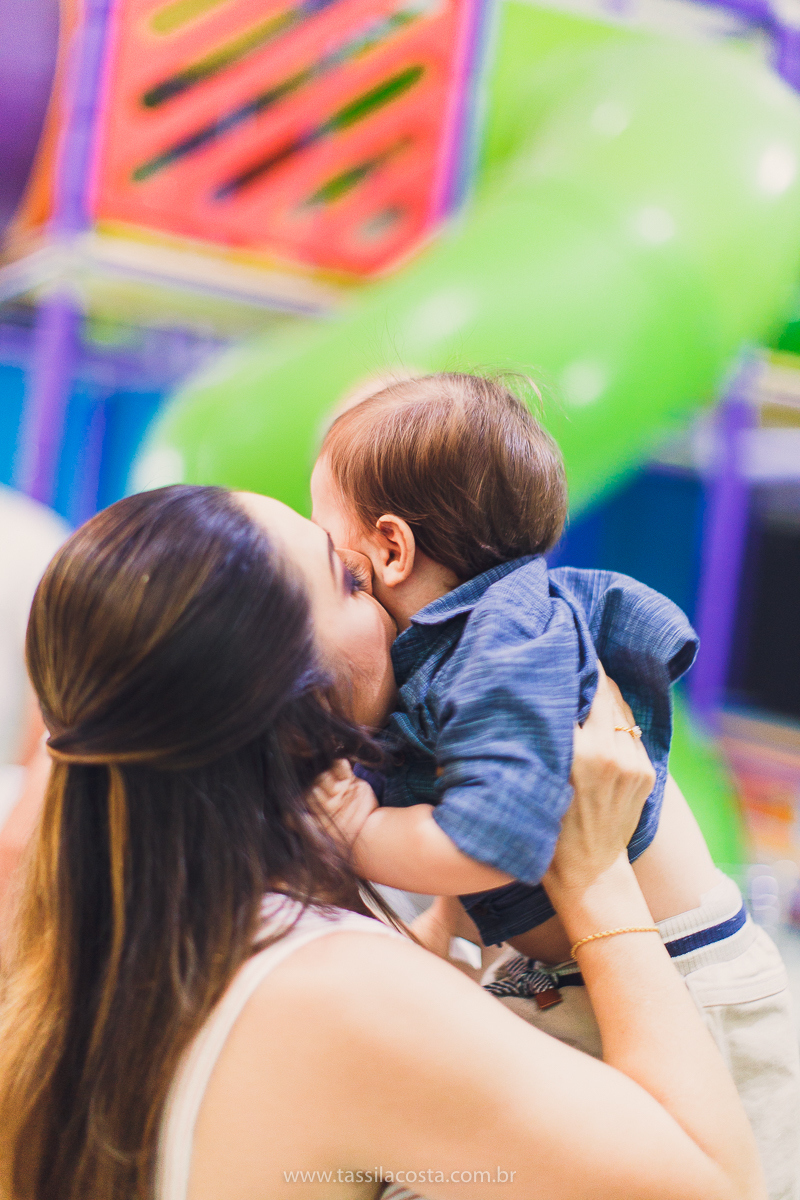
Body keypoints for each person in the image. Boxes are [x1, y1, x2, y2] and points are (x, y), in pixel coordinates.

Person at [0, 485, 764, 1200]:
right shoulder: (329, 990)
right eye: (351, 583)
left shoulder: (90, 938)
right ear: (295, 709)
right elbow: (716, 1185)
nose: (401, 598)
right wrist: (592, 872)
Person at [310, 372, 800, 1198]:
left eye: (341, 565)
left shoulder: (504, 643)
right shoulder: (459, 648)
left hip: (688, 986)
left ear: (391, 550)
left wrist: (359, 829)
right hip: (555, 980)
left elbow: (495, 835)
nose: (338, 582)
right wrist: (435, 941)